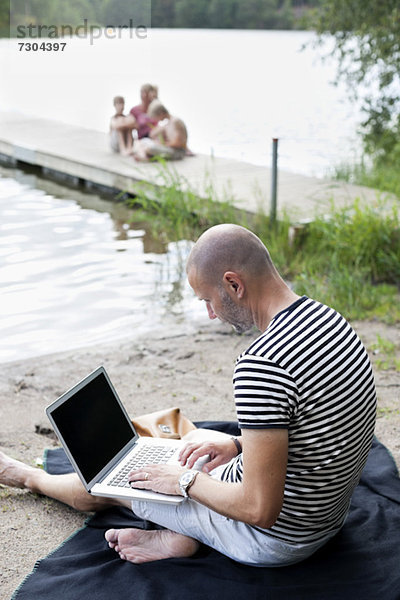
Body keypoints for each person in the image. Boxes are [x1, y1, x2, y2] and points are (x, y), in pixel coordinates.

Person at [0, 224, 377, 567]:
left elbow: (260, 509)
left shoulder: (262, 365)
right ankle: (180, 533)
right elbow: (318, 428)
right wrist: (235, 444)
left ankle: (24, 476)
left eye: (207, 300)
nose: (211, 314)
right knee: (194, 441)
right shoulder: (329, 320)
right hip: (323, 516)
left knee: (118, 483)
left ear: (234, 283)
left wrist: (183, 482)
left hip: (274, 539)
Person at [110, 84, 159, 151]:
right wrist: (135, 125)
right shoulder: (135, 111)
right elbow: (121, 125)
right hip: (142, 140)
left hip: (154, 138)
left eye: (146, 93)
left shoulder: (157, 109)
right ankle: (125, 149)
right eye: (142, 92)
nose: (144, 95)